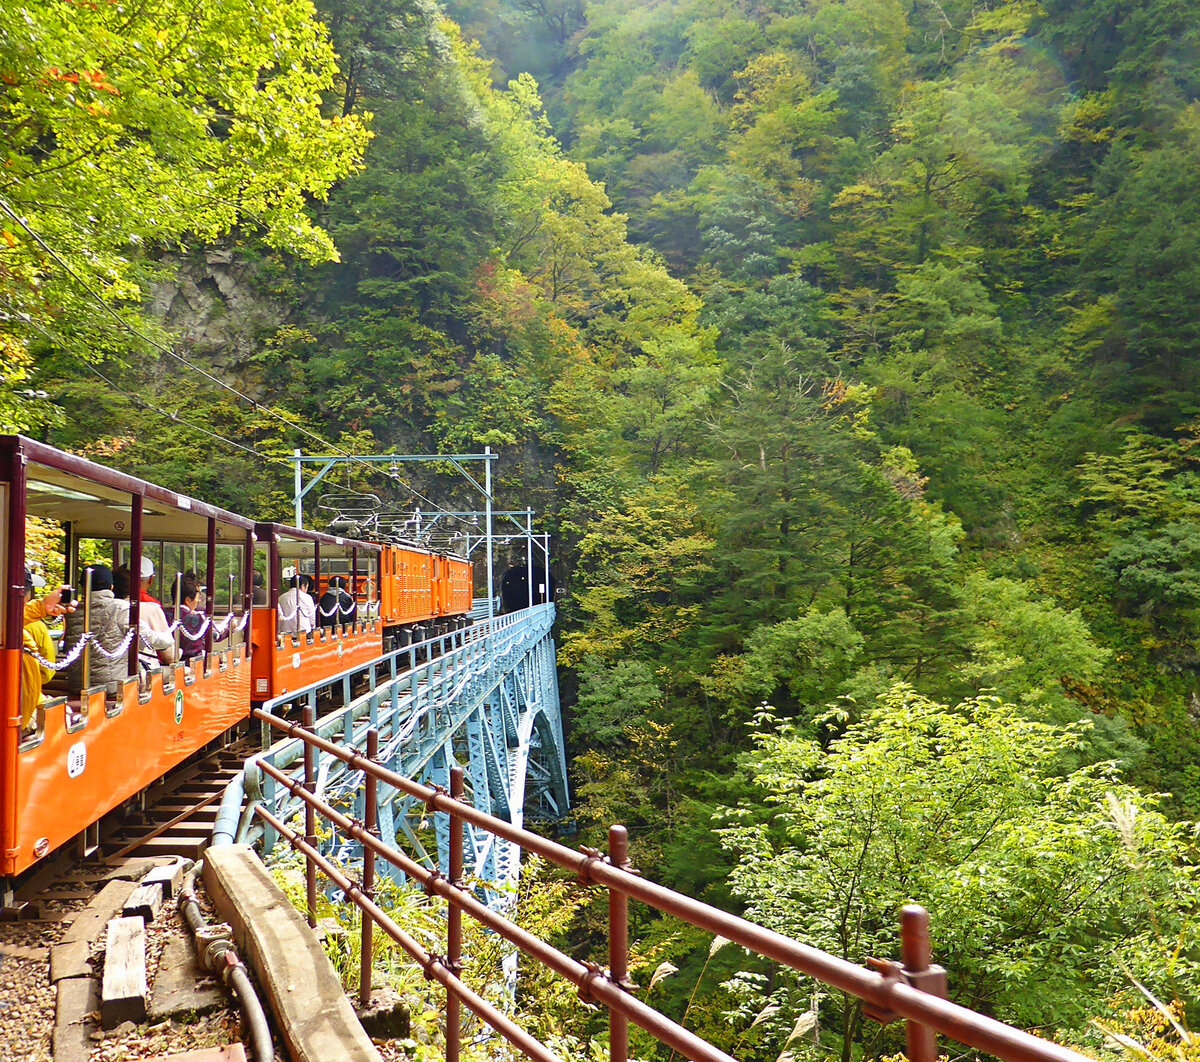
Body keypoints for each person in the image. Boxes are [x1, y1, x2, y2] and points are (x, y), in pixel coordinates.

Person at [65, 564, 175, 695]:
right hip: (113, 686)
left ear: (83, 587)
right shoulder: (121, 608)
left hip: (76, 685)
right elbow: (149, 639)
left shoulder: (71, 612)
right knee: (179, 672)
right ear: (111, 587)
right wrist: (170, 638)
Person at [21, 569, 60, 731]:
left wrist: (42, 607)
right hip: (22, 712)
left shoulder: (16, 623)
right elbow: (47, 672)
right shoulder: (36, 627)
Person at [174, 571, 207, 661]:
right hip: (193, 663)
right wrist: (230, 628)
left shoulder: (162, 613)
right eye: (197, 598)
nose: (199, 601)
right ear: (188, 600)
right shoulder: (198, 619)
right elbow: (215, 636)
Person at [278, 566, 316, 635]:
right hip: (304, 632)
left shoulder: (281, 598)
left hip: (285, 632)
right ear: (302, 586)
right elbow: (312, 618)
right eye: (306, 587)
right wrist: (313, 628)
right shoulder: (307, 597)